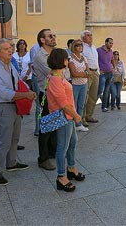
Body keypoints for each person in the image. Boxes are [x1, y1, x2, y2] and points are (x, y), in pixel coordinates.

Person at [0, 38, 36, 185]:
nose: (11, 50)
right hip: (4, 106)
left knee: (15, 137)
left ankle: (12, 162)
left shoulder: (10, 65)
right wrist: (25, 95)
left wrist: (28, 90)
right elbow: (5, 93)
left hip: (15, 105)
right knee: (4, 141)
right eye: (7, 49)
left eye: (11, 47)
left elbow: (18, 82)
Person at [46, 48, 85, 192]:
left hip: (68, 116)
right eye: (66, 58)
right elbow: (63, 103)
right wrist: (76, 115)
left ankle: (71, 167)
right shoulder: (56, 79)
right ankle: (61, 177)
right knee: (62, 147)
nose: (68, 60)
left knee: (72, 142)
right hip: (63, 117)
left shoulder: (58, 75)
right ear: (61, 60)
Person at [33, 29, 58, 170]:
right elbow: (53, 72)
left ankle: (52, 152)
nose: (53, 37)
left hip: (56, 93)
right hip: (46, 94)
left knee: (54, 125)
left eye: (53, 35)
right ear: (42, 40)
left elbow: (63, 71)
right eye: (50, 36)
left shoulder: (54, 54)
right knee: (45, 127)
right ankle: (43, 158)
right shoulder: (39, 56)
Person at [68, 39, 89, 132]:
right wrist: (84, 73)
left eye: (81, 45)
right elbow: (73, 74)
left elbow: (88, 72)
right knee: (73, 105)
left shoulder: (84, 57)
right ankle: (72, 123)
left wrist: (81, 74)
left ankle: (79, 123)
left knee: (81, 104)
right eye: (77, 45)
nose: (80, 46)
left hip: (84, 84)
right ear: (73, 47)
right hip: (75, 85)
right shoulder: (71, 58)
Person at [81, 30, 99, 126]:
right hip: (87, 73)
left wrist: (98, 72)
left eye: (91, 35)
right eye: (88, 35)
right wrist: (87, 71)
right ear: (83, 38)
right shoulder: (82, 47)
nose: (90, 37)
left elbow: (96, 60)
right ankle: (82, 118)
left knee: (93, 95)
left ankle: (89, 115)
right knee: (85, 96)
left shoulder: (93, 47)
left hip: (95, 72)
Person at [97, 38, 114, 112]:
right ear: (106, 42)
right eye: (110, 43)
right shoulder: (98, 50)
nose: (111, 44)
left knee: (106, 91)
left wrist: (114, 68)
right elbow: (95, 60)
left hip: (110, 73)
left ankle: (104, 107)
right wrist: (99, 70)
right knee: (100, 90)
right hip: (102, 74)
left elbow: (112, 60)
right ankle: (91, 104)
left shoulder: (111, 51)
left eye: (112, 43)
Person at [30, 42, 41, 136]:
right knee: (39, 104)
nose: (53, 38)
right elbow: (34, 65)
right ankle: (38, 128)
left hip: (48, 79)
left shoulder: (50, 49)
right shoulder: (35, 49)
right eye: (50, 36)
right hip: (38, 79)